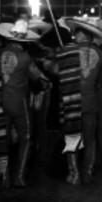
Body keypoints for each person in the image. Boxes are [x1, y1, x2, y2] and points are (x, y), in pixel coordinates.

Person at [0, 19, 49, 188]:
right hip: (18, 103)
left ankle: (4, 175)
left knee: (2, 137)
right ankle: (19, 176)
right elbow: (38, 77)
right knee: (26, 137)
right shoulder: (25, 57)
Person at [61, 18, 102, 185]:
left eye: (75, 33)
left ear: (80, 34)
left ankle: (74, 174)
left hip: (72, 100)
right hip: (91, 101)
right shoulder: (100, 52)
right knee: (90, 139)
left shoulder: (68, 51)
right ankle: (88, 172)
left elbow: (56, 71)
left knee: (72, 138)